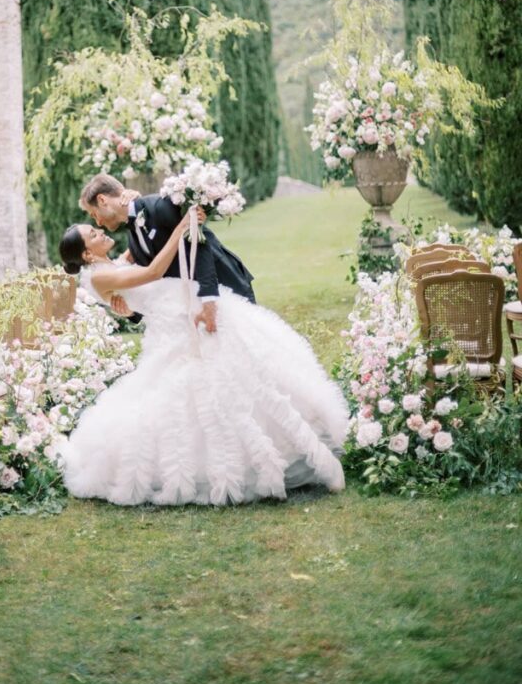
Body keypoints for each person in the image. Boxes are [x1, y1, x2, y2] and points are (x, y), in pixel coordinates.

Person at [58, 212, 348, 506]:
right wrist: (182, 228)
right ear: (86, 254)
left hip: (182, 311)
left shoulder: (106, 267)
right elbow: (154, 272)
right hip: (180, 324)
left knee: (247, 370)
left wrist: (152, 211)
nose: (99, 231)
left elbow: (134, 253)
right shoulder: (101, 276)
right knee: (219, 385)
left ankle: (298, 442)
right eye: (92, 234)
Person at [79, 173, 255, 334]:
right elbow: (153, 287)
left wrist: (209, 301)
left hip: (225, 286)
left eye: (95, 215)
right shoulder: (133, 239)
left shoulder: (160, 206)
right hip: (195, 306)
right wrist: (132, 314)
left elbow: (202, 248)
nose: (98, 222)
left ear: (102, 200)